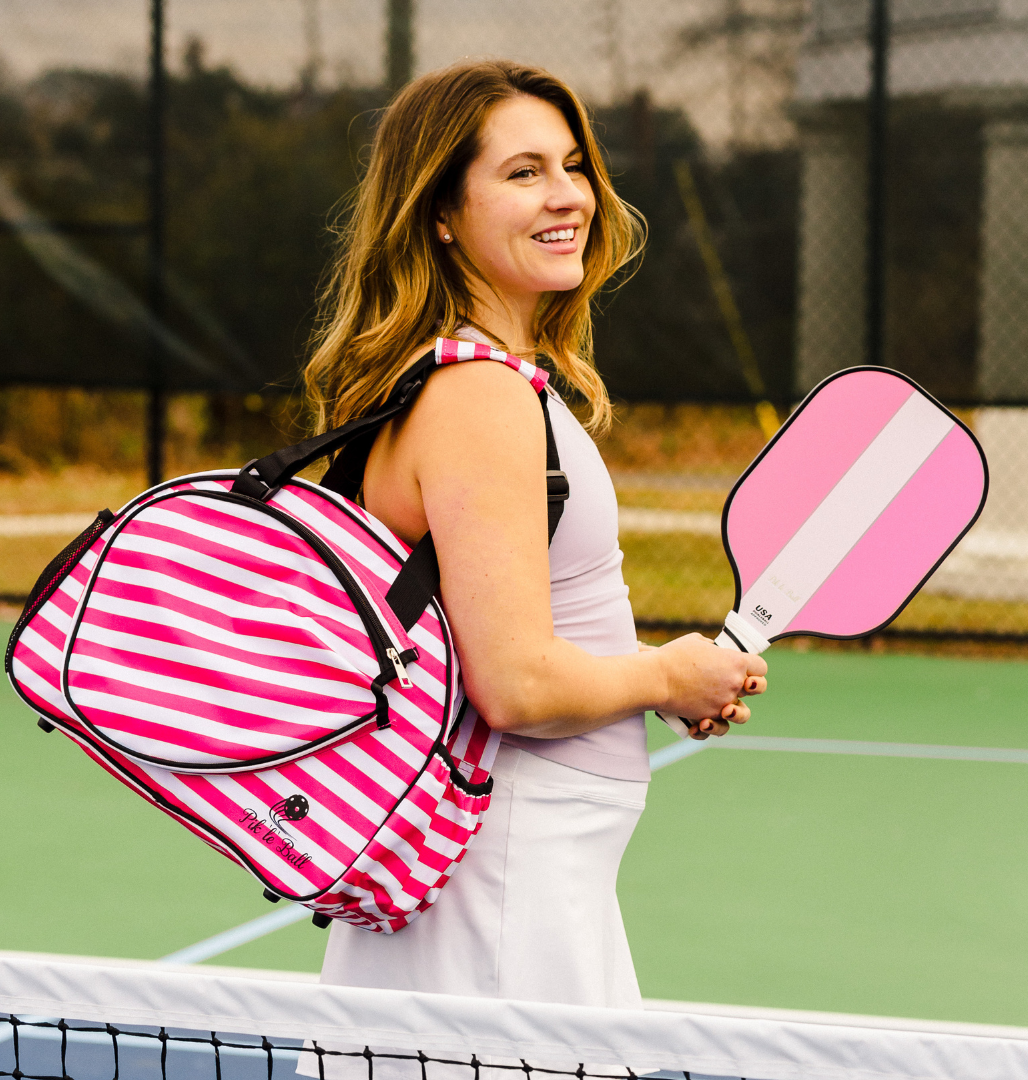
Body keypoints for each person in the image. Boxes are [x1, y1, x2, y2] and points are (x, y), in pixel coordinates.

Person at [302, 59, 768, 1008]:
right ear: (441, 211)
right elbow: (513, 684)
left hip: (520, 867)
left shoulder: (463, 380)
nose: (568, 196)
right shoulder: (479, 395)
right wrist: (666, 676)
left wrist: (656, 678)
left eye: (573, 165)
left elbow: (510, 630)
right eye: (523, 173)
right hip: (504, 874)